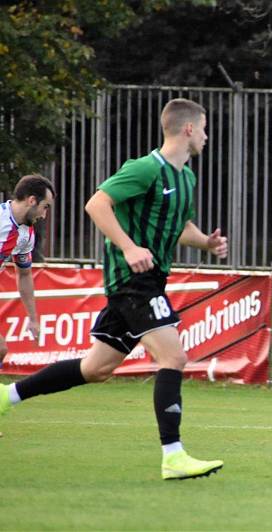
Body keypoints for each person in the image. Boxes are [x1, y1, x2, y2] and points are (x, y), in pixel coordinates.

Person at [0, 98, 228, 480]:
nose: (207, 135)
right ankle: (173, 455)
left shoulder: (185, 178)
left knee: (95, 369)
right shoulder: (144, 168)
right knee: (174, 357)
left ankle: (6, 396)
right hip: (132, 282)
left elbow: (179, 226)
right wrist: (128, 246)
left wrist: (206, 242)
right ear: (188, 129)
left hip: (148, 281)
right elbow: (97, 203)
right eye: (204, 127)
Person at [0, 175, 54, 366]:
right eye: (45, 207)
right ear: (32, 200)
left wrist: (33, 319)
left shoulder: (26, 234)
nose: (44, 215)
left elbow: (24, 274)